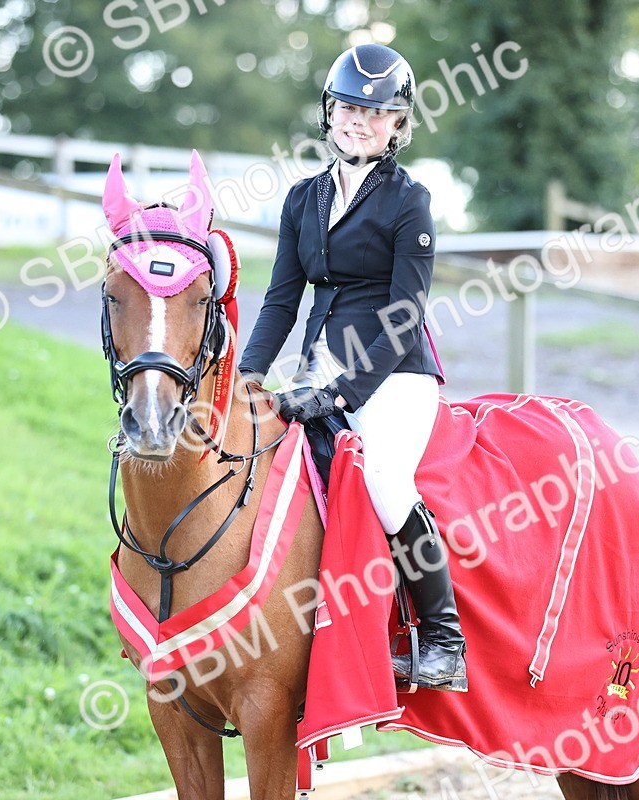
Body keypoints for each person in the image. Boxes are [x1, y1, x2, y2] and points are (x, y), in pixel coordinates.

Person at [239, 43, 467, 691]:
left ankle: (444, 639)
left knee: (387, 482)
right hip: (316, 374)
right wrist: (250, 379)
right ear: (328, 112)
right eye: (347, 107)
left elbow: (404, 314)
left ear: (397, 125)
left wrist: (341, 391)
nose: (357, 120)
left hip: (394, 377)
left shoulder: (409, 202)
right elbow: (283, 298)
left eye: (375, 112)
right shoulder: (301, 199)